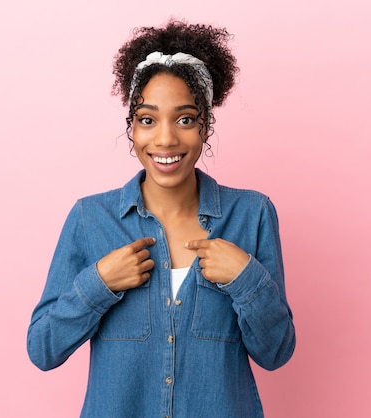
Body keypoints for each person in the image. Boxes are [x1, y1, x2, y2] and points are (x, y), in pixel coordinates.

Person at [27, 19, 296, 417]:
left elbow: (276, 353)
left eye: (185, 119)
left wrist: (246, 280)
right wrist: (98, 285)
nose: (166, 139)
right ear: (132, 128)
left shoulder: (252, 214)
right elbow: (43, 349)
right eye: (148, 120)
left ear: (206, 125)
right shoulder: (89, 219)